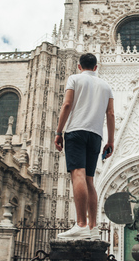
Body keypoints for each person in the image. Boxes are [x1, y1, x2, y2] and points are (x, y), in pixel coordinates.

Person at [54, 53, 115, 240]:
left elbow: (66, 105)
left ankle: (80, 224)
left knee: (77, 174)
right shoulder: (106, 86)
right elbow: (111, 114)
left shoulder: (74, 78)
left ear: (80, 66)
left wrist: (58, 132)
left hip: (76, 130)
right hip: (96, 135)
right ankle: (93, 227)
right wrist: (110, 141)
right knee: (89, 179)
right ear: (96, 68)